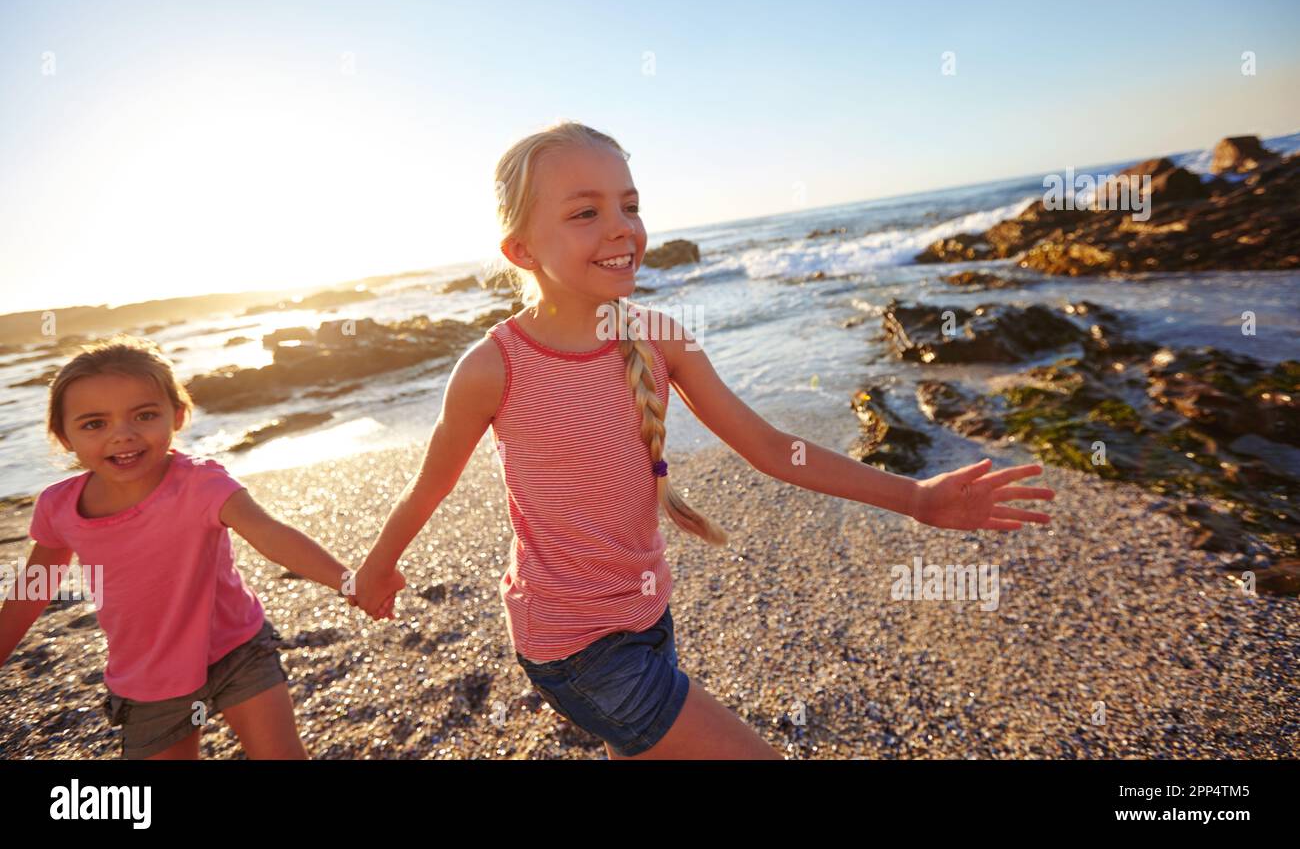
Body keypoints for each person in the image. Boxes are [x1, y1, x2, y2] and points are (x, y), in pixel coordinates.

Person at [351, 120, 1055, 759]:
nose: (622, 227)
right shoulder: (493, 367)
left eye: (630, 205)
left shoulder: (658, 339)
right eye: (585, 212)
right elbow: (432, 482)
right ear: (521, 248)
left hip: (648, 612)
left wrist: (915, 498)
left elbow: (774, 448)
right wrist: (378, 567)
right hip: (572, 644)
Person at [0, 335, 398, 759]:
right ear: (63, 435)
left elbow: (269, 533)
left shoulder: (201, 483)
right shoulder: (59, 506)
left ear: (178, 415)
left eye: (144, 415)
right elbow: (36, 586)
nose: (123, 435)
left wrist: (350, 581)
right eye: (94, 424)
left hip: (238, 649)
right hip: (147, 677)